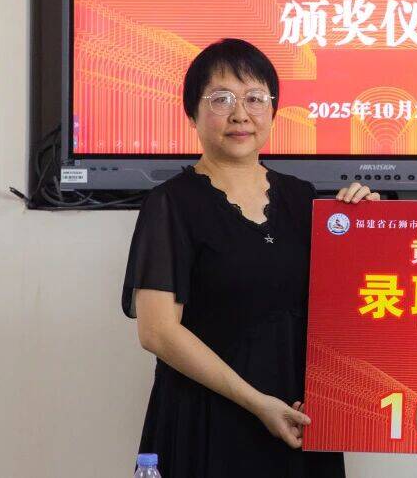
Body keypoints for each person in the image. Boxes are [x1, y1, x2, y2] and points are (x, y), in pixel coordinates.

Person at [122, 38, 377, 477]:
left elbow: (351, 307)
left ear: (273, 111)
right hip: (208, 419)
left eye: (255, 98)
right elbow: (158, 332)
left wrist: (369, 228)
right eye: (221, 99)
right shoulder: (171, 204)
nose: (240, 114)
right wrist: (258, 403)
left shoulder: (304, 200)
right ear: (192, 113)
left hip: (300, 417)